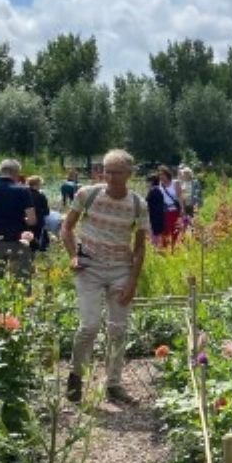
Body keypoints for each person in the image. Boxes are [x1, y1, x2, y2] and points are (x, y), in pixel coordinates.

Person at [61, 149, 150, 404]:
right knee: (89, 326)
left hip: (120, 269)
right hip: (88, 267)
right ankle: (76, 375)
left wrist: (132, 280)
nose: (110, 177)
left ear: (129, 174)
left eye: (116, 172)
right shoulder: (87, 195)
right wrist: (73, 255)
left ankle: (113, 384)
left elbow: (140, 245)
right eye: (107, 171)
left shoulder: (137, 205)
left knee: (118, 329)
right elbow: (67, 227)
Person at [156, 166, 182, 245]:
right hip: (164, 211)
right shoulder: (160, 185)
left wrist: (182, 209)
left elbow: (179, 197)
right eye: (160, 175)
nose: (161, 177)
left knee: (174, 230)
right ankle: (165, 249)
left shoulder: (175, 183)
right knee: (164, 231)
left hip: (174, 210)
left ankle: (175, 248)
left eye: (163, 174)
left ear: (167, 174)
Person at [25, 176, 52, 251]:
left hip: (24, 220)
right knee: (39, 237)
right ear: (37, 184)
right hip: (38, 221)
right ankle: (40, 250)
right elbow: (46, 211)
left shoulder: (23, 194)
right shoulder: (40, 196)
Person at [144, 173, 166, 247]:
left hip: (154, 219)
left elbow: (146, 205)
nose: (146, 184)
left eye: (147, 182)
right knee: (156, 237)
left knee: (154, 238)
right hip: (158, 218)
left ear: (151, 182)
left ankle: (155, 251)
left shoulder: (153, 191)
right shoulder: (158, 190)